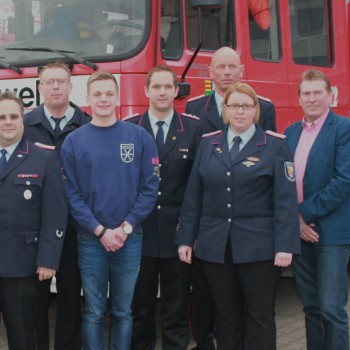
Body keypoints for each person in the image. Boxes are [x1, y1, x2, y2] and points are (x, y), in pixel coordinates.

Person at [175, 82, 300, 350]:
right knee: (226, 315)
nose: (239, 112)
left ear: (255, 110)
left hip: (259, 248)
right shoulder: (210, 144)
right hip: (215, 247)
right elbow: (194, 195)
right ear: (226, 110)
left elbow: (285, 200)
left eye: (246, 106)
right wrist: (186, 238)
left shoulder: (275, 146)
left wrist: (285, 245)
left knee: (259, 314)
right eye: (233, 106)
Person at [182, 46, 277, 350]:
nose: (225, 72)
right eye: (219, 67)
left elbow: (273, 167)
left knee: (254, 309)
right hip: (212, 227)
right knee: (210, 301)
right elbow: (194, 175)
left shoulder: (264, 107)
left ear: (242, 70)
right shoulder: (195, 108)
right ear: (210, 73)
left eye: (231, 67)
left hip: (251, 230)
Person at [0, 91, 67, 350]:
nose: (8, 122)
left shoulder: (44, 157)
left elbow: (56, 212)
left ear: (23, 121)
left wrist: (48, 259)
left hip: (23, 266)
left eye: (14, 116)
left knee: (24, 336)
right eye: (2, 117)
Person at [60, 71, 159, 350]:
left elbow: (149, 188)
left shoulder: (139, 137)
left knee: (123, 311)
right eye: (98, 94)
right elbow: (72, 195)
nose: (103, 99)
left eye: (109, 93)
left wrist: (125, 228)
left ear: (117, 97)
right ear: (87, 98)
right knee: (93, 312)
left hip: (130, 238)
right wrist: (100, 231)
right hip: (91, 240)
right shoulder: (74, 142)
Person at [285, 70, 350, 350]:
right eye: (306, 93)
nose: (312, 98)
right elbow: (285, 181)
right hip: (300, 233)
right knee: (311, 308)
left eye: (318, 92)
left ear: (331, 96)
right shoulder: (290, 132)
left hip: (330, 234)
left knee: (332, 310)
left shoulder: (346, 129)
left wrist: (302, 214)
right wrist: (294, 220)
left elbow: (345, 181)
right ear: (299, 98)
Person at [125, 65, 201, 350]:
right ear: (146, 90)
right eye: (156, 86)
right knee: (140, 307)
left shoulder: (193, 129)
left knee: (176, 306)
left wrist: (189, 233)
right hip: (139, 233)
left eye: (167, 87)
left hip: (176, 234)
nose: (161, 92)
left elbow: (196, 187)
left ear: (176, 91)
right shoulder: (130, 128)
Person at [23, 60, 91, 350]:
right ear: (39, 87)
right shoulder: (25, 125)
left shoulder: (87, 125)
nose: (55, 87)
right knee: (35, 299)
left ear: (70, 86)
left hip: (76, 226)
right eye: (48, 82)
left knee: (70, 298)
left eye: (60, 81)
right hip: (35, 227)